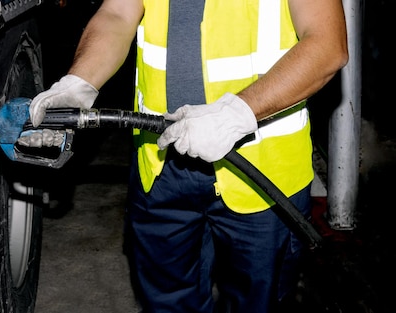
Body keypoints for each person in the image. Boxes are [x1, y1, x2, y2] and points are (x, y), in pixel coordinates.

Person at [29, 0, 348, 311]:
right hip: (162, 166)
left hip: (261, 177)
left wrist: (236, 114)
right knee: (166, 300)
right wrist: (80, 81)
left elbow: (326, 43)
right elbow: (117, 13)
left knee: (258, 302)